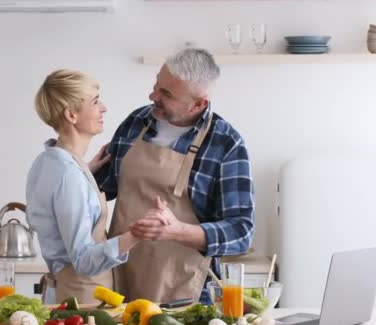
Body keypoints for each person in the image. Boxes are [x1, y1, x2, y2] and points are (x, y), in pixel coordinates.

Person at [94, 48, 255, 304]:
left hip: (185, 294)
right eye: (157, 86)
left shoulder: (225, 143)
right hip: (121, 277)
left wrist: (176, 231)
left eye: (166, 94)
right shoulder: (135, 122)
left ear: (199, 103)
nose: (153, 96)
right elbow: (102, 189)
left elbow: (241, 232)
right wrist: (76, 171)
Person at [26, 69, 142, 304]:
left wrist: (86, 170)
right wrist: (136, 236)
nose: (104, 108)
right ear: (71, 115)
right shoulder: (68, 175)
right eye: (95, 101)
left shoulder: (48, 161)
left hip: (68, 295)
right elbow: (84, 260)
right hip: (81, 302)